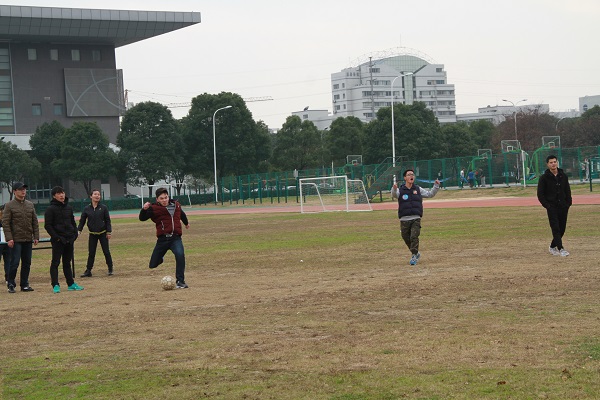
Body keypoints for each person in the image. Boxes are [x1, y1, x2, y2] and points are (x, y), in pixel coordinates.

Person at [139, 187, 190, 288]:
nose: (164, 200)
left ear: (168, 197)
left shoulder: (176, 205)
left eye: (166, 197)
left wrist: (186, 223)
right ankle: (160, 258)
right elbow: (142, 218)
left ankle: (180, 281)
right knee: (153, 264)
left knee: (180, 255)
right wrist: (144, 209)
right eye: (161, 198)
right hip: (163, 239)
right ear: (157, 199)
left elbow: (181, 214)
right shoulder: (154, 208)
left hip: (175, 238)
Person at [392, 169, 440, 265]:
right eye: (409, 175)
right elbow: (394, 195)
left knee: (414, 236)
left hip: (416, 218)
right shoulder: (400, 190)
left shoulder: (418, 189)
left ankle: (414, 255)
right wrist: (394, 189)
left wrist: (436, 186)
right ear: (405, 178)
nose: (411, 176)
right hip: (404, 219)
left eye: (412, 174)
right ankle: (416, 253)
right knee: (406, 237)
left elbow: (430, 194)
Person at [44, 186, 83, 293]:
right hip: (58, 240)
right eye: (59, 193)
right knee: (55, 263)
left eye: (63, 193)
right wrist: (57, 237)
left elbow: (72, 222)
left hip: (69, 239)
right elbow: (48, 226)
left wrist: (74, 234)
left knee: (67, 263)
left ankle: (71, 284)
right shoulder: (50, 209)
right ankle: (55, 284)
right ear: (54, 196)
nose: (62, 195)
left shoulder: (68, 208)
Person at [2, 182, 39, 293]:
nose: (23, 191)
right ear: (15, 191)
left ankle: (24, 284)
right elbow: (6, 223)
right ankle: (11, 283)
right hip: (16, 239)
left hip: (28, 238)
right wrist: (9, 238)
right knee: (15, 262)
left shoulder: (30, 205)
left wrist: (36, 236)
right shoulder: (9, 205)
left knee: (27, 263)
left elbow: (34, 222)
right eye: (20, 189)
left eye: (24, 189)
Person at [537, 155, 572, 257]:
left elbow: (567, 190)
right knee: (555, 228)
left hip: (563, 206)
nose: (553, 164)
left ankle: (552, 246)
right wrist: (547, 205)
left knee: (562, 229)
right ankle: (561, 249)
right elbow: (540, 194)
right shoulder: (543, 178)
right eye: (551, 162)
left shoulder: (563, 176)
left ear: (557, 162)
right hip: (552, 207)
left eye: (554, 162)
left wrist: (568, 203)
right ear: (547, 164)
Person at [78, 189, 114, 277]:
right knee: (91, 253)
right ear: (91, 196)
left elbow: (107, 220)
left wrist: (108, 232)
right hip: (92, 234)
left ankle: (110, 268)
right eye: (95, 194)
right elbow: (82, 221)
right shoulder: (87, 209)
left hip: (103, 233)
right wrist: (79, 230)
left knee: (106, 252)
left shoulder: (104, 207)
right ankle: (88, 270)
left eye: (98, 194)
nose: (97, 196)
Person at [0, 204, 12, 284]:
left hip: (7, 242)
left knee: (8, 261)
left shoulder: (10, 219)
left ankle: (8, 277)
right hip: (1, 242)